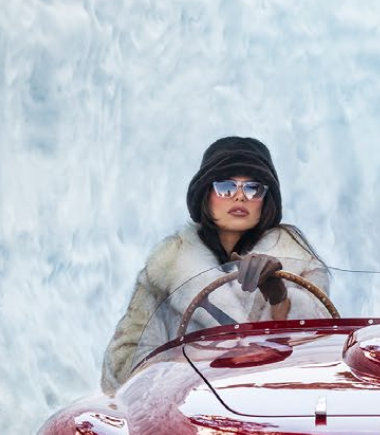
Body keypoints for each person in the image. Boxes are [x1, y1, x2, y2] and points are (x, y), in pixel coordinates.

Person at [99, 136, 330, 391]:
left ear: (266, 201)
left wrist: (280, 298)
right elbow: (119, 370)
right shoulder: (166, 269)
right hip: (194, 413)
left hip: (274, 411)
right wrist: (186, 368)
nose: (240, 197)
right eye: (226, 187)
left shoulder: (300, 265)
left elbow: (318, 359)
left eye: (254, 188)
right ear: (205, 194)